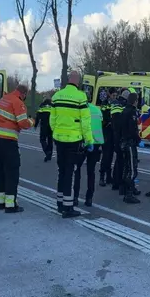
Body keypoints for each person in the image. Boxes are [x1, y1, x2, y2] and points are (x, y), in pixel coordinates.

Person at [50, 71, 93, 218]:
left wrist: (55, 133)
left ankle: (60, 203)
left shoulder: (56, 96)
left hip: (59, 139)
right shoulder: (81, 97)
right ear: (78, 81)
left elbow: (52, 119)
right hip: (74, 140)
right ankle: (68, 207)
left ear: (68, 80)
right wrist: (89, 140)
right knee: (70, 173)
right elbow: (86, 122)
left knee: (61, 171)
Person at [0, 84, 34, 213]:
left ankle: (0, 202)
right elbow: (23, 123)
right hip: (8, 142)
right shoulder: (18, 102)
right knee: (12, 173)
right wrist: (32, 121)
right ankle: (10, 205)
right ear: (24, 93)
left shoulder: (4, 99)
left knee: (0, 172)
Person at [73, 101, 105, 207]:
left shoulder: (80, 109)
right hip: (96, 143)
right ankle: (89, 198)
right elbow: (100, 125)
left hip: (83, 142)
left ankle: (75, 198)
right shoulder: (97, 109)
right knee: (91, 171)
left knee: (77, 170)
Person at [119, 92, 141, 204]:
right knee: (132, 169)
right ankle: (129, 194)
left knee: (126, 167)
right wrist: (138, 139)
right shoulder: (132, 112)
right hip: (130, 143)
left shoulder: (124, 111)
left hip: (123, 142)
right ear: (135, 101)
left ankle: (124, 189)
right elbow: (132, 129)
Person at [109, 88, 129, 193]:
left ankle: (116, 182)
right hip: (120, 136)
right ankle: (119, 182)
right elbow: (117, 121)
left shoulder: (116, 103)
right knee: (122, 160)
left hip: (116, 135)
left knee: (119, 159)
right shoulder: (120, 104)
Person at [99, 88, 118, 186]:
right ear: (109, 95)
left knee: (110, 156)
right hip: (106, 132)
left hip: (113, 132)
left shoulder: (116, 103)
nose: (114, 97)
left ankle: (108, 176)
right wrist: (109, 121)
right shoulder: (104, 104)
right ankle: (102, 176)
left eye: (116, 95)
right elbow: (103, 117)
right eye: (113, 95)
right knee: (106, 155)